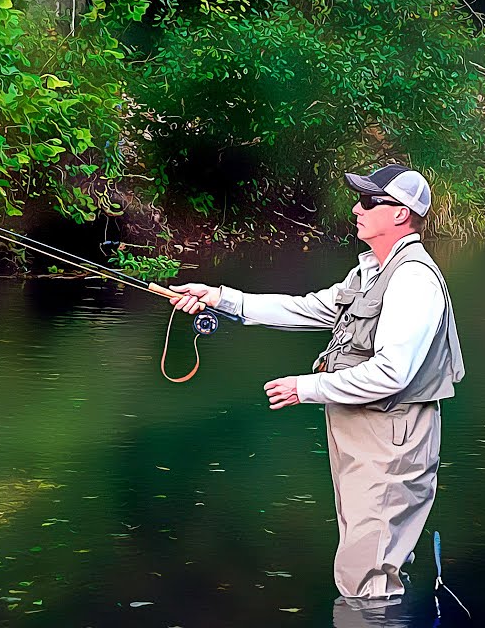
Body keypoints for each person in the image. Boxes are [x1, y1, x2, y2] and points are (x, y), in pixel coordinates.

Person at [169, 164, 465, 608]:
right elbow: (309, 309)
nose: (355, 208)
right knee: (363, 563)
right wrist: (222, 298)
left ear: (401, 214)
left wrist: (306, 387)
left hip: (392, 439)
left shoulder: (414, 280)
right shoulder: (369, 273)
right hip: (365, 435)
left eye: (368, 201)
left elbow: (392, 374)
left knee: (366, 576)